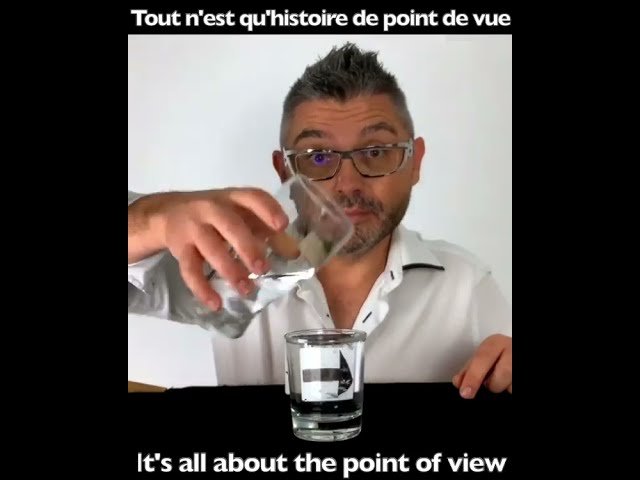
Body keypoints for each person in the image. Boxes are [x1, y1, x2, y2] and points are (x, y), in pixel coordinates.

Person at [128, 42, 512, 398]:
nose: (348, 183)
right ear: (284, 171)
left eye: (376, 151)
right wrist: (150, 219)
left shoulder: (469, 288)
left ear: (415, 162)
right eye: (318, 157)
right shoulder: (223, 262)